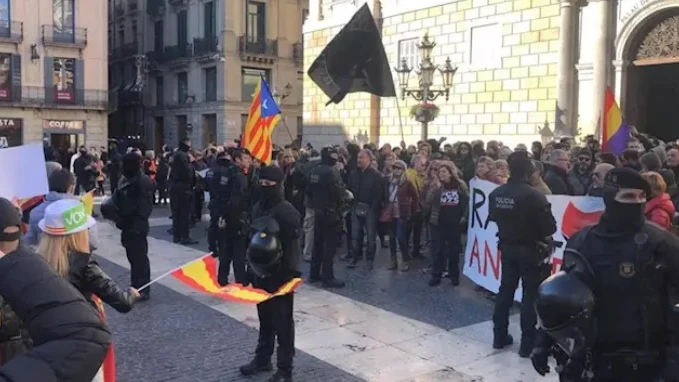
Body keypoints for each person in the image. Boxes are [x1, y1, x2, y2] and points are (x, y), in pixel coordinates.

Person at [531, 167, 679, 381]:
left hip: (646, 365)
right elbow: (562, 297)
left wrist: (674, 362)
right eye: (628, 196)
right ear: (609, 198)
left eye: (642, 197)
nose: (636, 203)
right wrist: (543, 340)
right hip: (593, 360)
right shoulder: (581, 242)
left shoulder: (662, 244)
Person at [0, 197, 112, 381]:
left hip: (26, 356)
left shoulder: (36, 261)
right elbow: (89, 335)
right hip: (51, 357)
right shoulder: (81, 265)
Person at [488, 151, 557, 357]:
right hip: (530, 249)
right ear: (528, 171)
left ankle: (499, 336)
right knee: (529, 295)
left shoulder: (497, 194)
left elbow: (493, 216)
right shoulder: (534, 195)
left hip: (507, 247)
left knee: (505, 291)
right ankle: (527, 344)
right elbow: (549, 228)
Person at [240, 166, 301, 382]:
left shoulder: (288, 212)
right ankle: (263, 358)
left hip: (281, 276)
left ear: (278, 185)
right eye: (262, 184)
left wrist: (291, 275)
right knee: (264, 319)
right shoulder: (257, 208)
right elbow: (251, 240)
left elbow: (293, 247)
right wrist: (249, 268)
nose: (264, 188)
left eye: (269, 185)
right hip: (260, 273)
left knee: (283, 323)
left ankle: (285, 369)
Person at [106, 153, 155, 300]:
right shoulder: (126, 180)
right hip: (127, 224)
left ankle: (142, 288)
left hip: (136, 225)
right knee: (133, 257)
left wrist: (135, 223)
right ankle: (136, 284)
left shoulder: (142, 181)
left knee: (139, 257)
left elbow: (144, 207)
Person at [307, 146, 346, 288]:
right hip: (331, 212)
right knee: (329, 247)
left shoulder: (314, 171)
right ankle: (327, 277)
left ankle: (313, 273)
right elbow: (339, 192)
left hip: (318, 211)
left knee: (317, 245)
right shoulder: (332, 172)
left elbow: (309, 191)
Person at [218, 148, 253, 286]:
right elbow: (237, 200)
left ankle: (222, 278)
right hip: (237, 216)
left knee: (226, 249)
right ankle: (241, 279)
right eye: (245, 158)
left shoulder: (227, 172)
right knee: (238, 249)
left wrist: (223, 215)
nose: (248, 161)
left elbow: (221, 194)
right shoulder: (239, 177)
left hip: (225, 215)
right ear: (237, 160)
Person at [169, 138, 198, 244]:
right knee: (184, 213)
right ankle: (184, 236)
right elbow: (188, 172)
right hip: (184, 187)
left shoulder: (176, 155)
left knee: (177, 212)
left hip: (175, 186)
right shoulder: (183, 156)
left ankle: (177, 235)